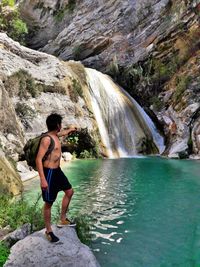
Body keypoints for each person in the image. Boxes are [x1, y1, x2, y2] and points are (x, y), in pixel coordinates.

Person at [36, 113, 77, 242]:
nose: (62, 127)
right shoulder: (47, 139)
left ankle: (63, 219)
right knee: (49, 203)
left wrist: (69, 130)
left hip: (57, 171)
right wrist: (43, 179)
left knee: (69, 192)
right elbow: (38, 159)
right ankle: (48, 231)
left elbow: (61, 134)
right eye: (61, 124)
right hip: (48, 173)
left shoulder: (54, 135)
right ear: (58, 125)